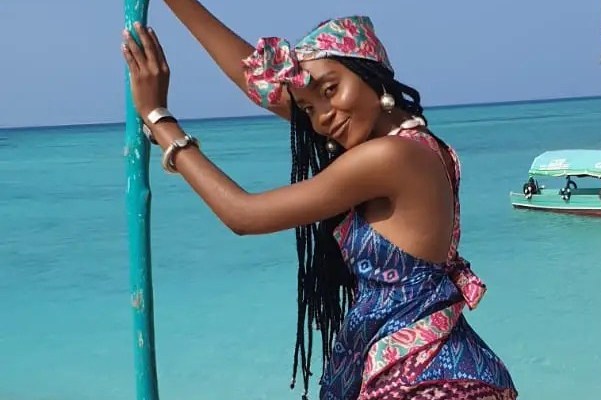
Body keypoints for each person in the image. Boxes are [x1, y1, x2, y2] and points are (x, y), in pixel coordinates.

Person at [121, 3, 518, 399]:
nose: (324, 116)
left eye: (331, 90)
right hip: (427, 366)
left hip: (424, 379)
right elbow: (258, 85)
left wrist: (159, 119)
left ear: (371, 73)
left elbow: (243, 214)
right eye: (310, 108)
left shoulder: (389, 157)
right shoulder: (416, 145)